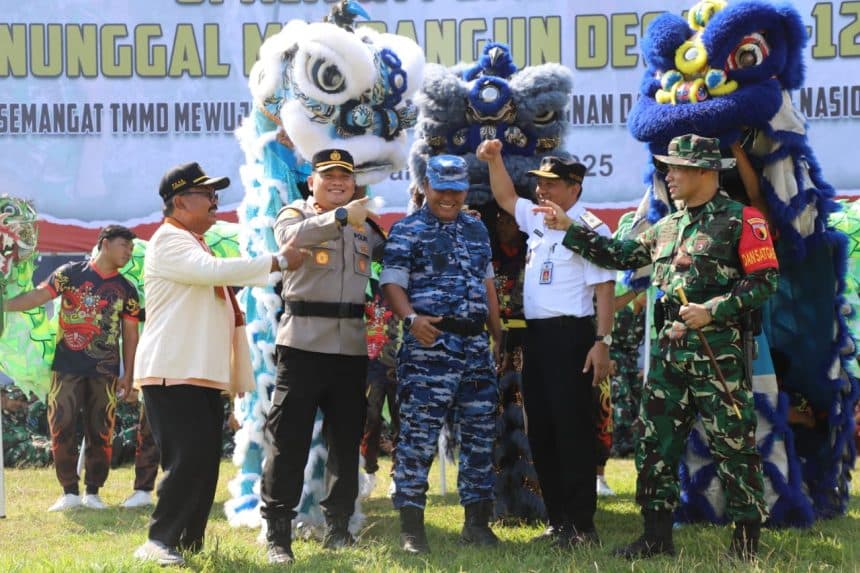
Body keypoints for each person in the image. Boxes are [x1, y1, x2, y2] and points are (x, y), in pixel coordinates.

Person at [534, 134, 778, 559]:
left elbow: (765, 281)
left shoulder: (743, 220)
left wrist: (715, 309)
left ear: (705, 171)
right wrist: (570, 227)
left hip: (717, 354)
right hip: (669, 356)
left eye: (677, 167)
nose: (669, 175)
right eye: (667, 167)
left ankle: (745, 543)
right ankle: (656, 536)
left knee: (734, 445)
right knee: (655, 445)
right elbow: (618, 255)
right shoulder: (667, 225)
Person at [132, 161, 306, 567]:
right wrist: (276, 261)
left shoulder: (194, 241)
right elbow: (211, 273)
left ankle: (187, 541)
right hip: (172, 371)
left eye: (216, 194)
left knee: (204, 461)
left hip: (198, 373)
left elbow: (215, 279)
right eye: (206, 195)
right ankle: (158, 540)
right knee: (187, 459)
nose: (215, 202)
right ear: (179, 202)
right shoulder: (170, 241)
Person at [477, 140, 615, 548]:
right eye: (539, 182)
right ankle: (558, 522)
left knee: (572, 432)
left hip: (572, 337)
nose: (542, 190)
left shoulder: (589, 227)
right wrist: (494, 159)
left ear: (575, 187)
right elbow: (504, 196)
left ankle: (582, 526)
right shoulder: (537, 218)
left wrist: (602, 341)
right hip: (535, 336)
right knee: (542, 431)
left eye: (552, 184)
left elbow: (605, 289)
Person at [260, 149, 384, 565]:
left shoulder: (367, 225)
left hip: (350, 347)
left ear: (354, 184)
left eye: (345, 177)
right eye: (328, 175)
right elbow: (290, 242)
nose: (337, 182)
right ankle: (278, 533)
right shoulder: (293, 214)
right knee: (288, 441)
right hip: (302, 345)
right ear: (310, 181)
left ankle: (338, 528)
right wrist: (341, 217)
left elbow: (390, 266)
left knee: (346, 442)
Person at [381, 154, 503, 554]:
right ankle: (412, 529)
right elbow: (392, 284)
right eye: (441, 188)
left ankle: (477, 524)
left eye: (457, 189)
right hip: (430, 346)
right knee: (418, 438)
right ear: (427, 186)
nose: (449, 196)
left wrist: (497, 333)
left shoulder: (476, 230)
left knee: (480, 436)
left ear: (466, 189)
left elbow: (487, 284)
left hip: (474, 346)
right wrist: (411, 318)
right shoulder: (407, 230)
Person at [3, 224, 141, 511]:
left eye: (131, 247)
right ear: (105, 243)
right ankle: (68, 492)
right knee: (61, 425)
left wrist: (129, 374)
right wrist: (4, 305)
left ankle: (93, 492)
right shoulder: (69, 273)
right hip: (65, 367)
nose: (129, 251)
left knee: (101, 430)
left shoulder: (128, 290)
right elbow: (38, 296)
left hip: (105, 371)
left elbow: (130, 335)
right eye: (124, 245)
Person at [1, 384, 52, 468]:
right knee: (34, 448)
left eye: (21, 400)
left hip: (25, 446)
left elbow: (31, 432)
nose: (18, 403)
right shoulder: (2, 418)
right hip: (9, 454)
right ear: (4, 398)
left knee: (50, 444)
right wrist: (26, 437)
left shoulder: (20, 416)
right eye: (14, 399)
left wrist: (38, 439)